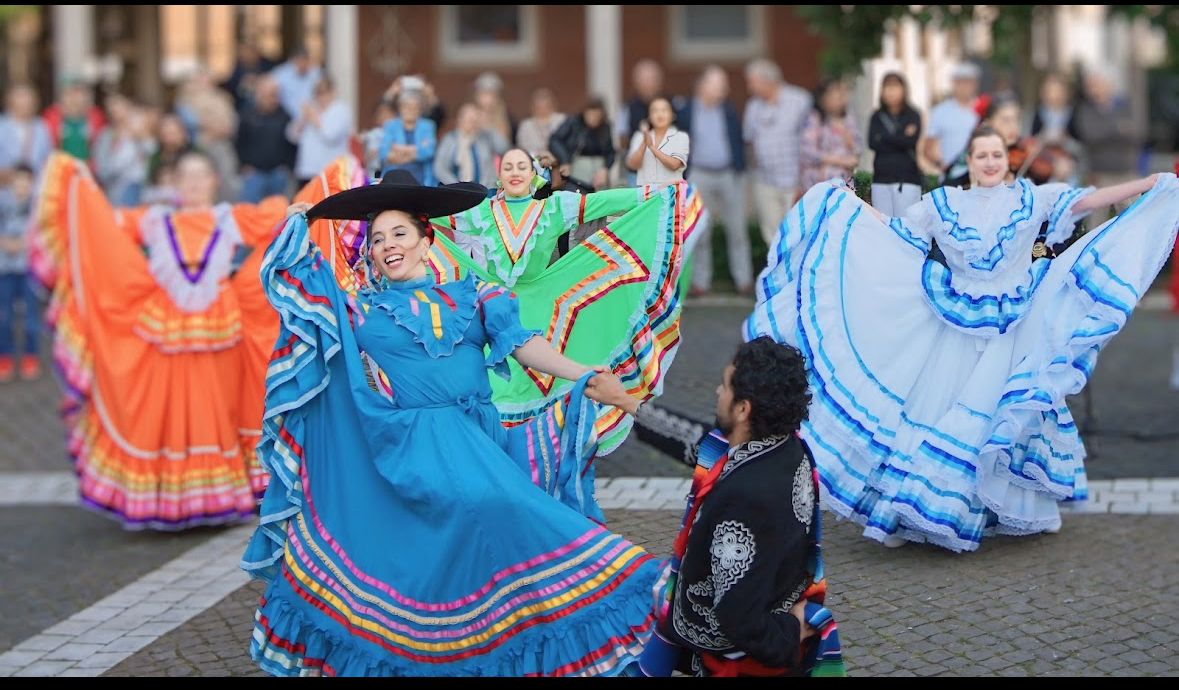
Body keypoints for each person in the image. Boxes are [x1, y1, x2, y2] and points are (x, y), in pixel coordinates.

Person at [242, 172, 664, 676]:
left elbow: (525, 345)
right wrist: (294, 229)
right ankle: (635, 585)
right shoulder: (363, 310)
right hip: (414, 446)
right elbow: (311, 310)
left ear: (426, 239)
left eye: (398, 234)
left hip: (478, 439)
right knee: (498, 517)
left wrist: (584, 375)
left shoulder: (476, 295)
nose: (386, 246)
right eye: (376, 239)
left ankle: (509, 644)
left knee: (480, 548)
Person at [744, 124, 1179, 552]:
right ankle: (910, 510)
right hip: (952, 323)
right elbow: (898, 231)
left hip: (1012, 323)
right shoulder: (942, 203)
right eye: (980, 155)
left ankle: (1006, 508)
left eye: (995, 154)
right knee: (938, 413)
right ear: (968, 162)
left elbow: (1085, 199)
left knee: (1003, 413)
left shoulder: (1031, 197)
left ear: (1006, 160)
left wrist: (1147, 183)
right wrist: (852, 203)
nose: (989, 162)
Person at [27, 149, 355, 529]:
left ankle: (218, 492)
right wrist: (80, 185)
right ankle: (173, 496)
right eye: (187, 176)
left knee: (217, 407)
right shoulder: (153, 220)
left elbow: (282, 219)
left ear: (214, 182)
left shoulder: (229, 218)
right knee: (173, 409)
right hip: (169, 331)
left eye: (201, 176)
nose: (195, 183)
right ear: (174, 183)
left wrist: (320, 189)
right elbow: (102, 226)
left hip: (220, 330)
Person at [588, 338, 847, 677]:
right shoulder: (788, 448)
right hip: (771, 601)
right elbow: (699, 440)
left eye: (725, 386)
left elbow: (737, 617)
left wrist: (789, 633)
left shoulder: (743, 498)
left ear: (743, 409)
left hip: (734, 657)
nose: (716, 391)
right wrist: (622, 400)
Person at [426, 147, 702, 456]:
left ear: (534, 176)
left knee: (542, 389)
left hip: (545, 310)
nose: (515, 172)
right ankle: (493, 464)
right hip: (494, 310)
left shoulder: (554, 208)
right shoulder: (479, 212)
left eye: (522, 166)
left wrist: (659, 193)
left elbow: (603, 202)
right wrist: (394, 202)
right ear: (499, 177)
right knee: (495, 389)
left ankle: (538, 463)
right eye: (508, 167)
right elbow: (429, 218)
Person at [675, 66, 751, 298]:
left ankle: (744, 281)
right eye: (719, 84)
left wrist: (740, 168)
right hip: (699, 174)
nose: (724, 89)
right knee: (700, 231)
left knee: (737, 229)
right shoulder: (687, 110)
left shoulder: (727, 109)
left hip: (728, 174)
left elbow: (737, 139)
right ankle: (700, 283)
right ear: (703, 86)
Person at [743, 59, 812, 247]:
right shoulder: (754, 106)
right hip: (765, 180)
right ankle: (777, 273)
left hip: (795, 180)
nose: (750, 87)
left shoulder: (800, 100)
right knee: (771, 233)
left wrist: (805, 176)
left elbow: (811, 140)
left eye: (753, 82)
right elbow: (749, 140)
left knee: (798, 231)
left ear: (768, 81)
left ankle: (797, 274)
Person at [0, 165, 40, 382]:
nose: (22, 185)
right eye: (18, 180)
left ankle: (30, 355)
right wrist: (5, 243)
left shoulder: (38, 205)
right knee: (3, 315)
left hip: (29, 268)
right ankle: (4, 356)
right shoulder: (2, 202)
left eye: (26, 181)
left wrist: (24, 243)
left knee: (30, 316)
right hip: (4, 268)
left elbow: (42, 231)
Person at [868, 72, 923, 216]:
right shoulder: (877, 116)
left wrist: (884, 137)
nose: (891, 92)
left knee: (907, 226)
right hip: (881, 180)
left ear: (904, 90)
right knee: (884, 227)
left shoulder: (913, 115)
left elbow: (910, 141)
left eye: (895, 87)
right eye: (887, 87)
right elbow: (872, 143)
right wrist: (900, 136)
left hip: (907, 180)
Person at [236, 75, 296, 203]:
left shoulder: (285, 116)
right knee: (249, 212)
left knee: (278, 214)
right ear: (259, 94)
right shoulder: (247, 115)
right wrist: (243, 165)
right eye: (269, 94)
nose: (273, 98)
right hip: (254, 174)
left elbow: (292, 145)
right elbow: (239, 142)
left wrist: (287, 168)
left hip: (278, 173)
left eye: (275, 94)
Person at [920, 62, 982, 187]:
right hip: (952, 178)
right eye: (960, 82)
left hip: (983, 178)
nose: (964, 86)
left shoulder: (984, 109)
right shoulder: (940, 111)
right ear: (953, 83)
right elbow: (927, 148)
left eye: (968, 82)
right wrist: (942, 165)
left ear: (975, 84)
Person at [288, 76, 354, 189]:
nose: (320, 96)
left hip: (330, 172)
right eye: (317, 92)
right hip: (306, 170)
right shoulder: (312, 109)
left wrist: (314, 118)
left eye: (324, 92)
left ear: (332, 91)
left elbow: (330, 136)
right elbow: (291, 136)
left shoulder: (341, 110)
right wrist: (303, 119)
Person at [92, 93, 153, 207]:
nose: (115, 111)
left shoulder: (137, 128)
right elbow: (100, 162)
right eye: (111, 107)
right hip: (111, 187)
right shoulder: (105, 134)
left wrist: (139, 136)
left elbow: (150, 149)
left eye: (119, 106)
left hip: (133, 184)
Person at [800, 78, 861, 191]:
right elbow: (808, 152)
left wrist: (848, 140)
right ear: (822, 99)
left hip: (844, 182)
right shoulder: (815, 119)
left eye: (841, 96)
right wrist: (839, 160)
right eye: (833, 96)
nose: (839, 100)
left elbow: (857, 148)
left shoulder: (848, 118)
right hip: (818, 182)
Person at [433, 102, 508, 188]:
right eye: (469, 120)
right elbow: (439, 168)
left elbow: (504, 148)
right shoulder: (450, 139)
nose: (472, 124)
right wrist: (456, 185)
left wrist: (488, 126)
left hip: (484, 190)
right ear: (460, 120)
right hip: (455, 190)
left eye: (475, 121)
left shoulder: (485, 137)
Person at [617, 60, 665, 184]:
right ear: (636, 82)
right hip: (637, 174)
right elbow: (622, 139)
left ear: (659, 82)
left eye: (651, 80)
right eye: (644, 80)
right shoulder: (627, 108)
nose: (648, 84)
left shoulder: (671, 106)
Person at [625, 97, 689, 187]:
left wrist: (652, 147)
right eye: (655, 111)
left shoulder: (681, 136)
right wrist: (644, 142)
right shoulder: (639, 136)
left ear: (673, 115)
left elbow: (674, 165)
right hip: (645, 193)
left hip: (671, 193)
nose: (660, 114)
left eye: (664, 110)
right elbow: (632, 165)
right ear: (649, 117)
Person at [378, 91, 437, 184]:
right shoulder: (390, 126)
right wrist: (416, 149)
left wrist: (400, 149)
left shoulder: (427, 126)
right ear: (400, 108)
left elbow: (429, 152)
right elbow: (384, 153)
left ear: (420, 110)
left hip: (421, 179)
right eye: (407, 106)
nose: (410, 110)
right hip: (394, 178)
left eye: (415, 107)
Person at [0, 84, 53, 182]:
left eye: (29, 100)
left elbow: (48, 159)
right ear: (10, 102)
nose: (26, 104)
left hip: (35, 192)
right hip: (5, 191)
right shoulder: (2, 126)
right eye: (21, 99)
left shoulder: (41, 126)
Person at [270, 46, 322, 122]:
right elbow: (269, 93)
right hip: (285, 120)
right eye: (299, 61)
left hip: (312, 120)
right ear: (292, 60)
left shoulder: (317, 74)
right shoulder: (280, 74)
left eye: (305, 60)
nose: (302, 64)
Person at [515, 87, 566, 159]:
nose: (542, 108)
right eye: (539, 105)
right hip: (534, 162)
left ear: (552, 103)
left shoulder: (562, 120)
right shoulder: (526, 125)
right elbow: (522, 148)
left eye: (546, 104)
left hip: (559, 160)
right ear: (533, 106)